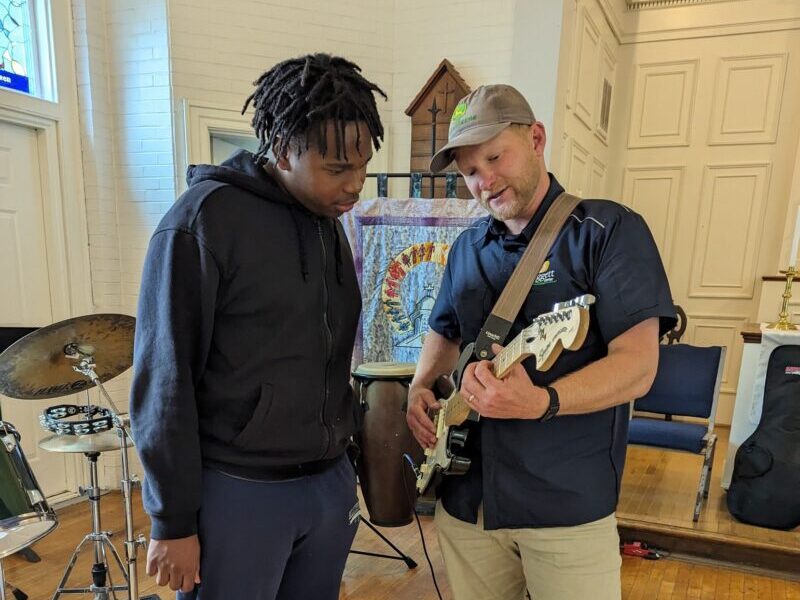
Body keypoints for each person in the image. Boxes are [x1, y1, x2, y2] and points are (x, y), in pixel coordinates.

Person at [130, 53, 387, 599]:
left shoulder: (327, 224)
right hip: (237, 489)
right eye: (338, 169)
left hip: (325, 486)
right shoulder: (202, 221)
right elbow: (164, 379)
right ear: (283, 148)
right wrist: (172, 520)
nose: (355, 186)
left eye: (362, 167)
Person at [406, 84, 676, 600]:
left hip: (565, 510)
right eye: (468, 171)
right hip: (467, 504)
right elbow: (444, 329)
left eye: (493, 156)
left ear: (535, 138)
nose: (483, 180)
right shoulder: (466, 246)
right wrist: (422, 383)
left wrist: (544, 401)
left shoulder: (609, 230)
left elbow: (639, 366)